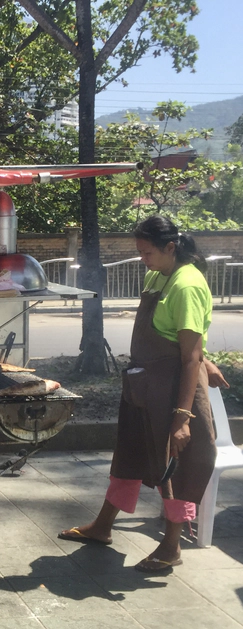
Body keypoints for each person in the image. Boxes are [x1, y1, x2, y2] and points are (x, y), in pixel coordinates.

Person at [59, 215, 229, 572]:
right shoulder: (157, 276)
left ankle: (171, 545)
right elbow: (186, 338)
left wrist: (183, 417)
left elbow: (188, 355)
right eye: (139, 252)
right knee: (130, 453)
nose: (142, 259)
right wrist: (207, 360)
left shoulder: (187, 285)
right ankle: (103, 525)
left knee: (179, 467)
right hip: (144, 385)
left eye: (147, 252)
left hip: (176, 389)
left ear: (170, 248)